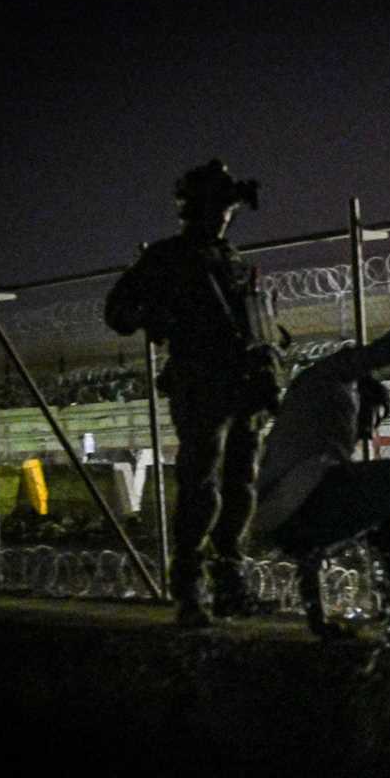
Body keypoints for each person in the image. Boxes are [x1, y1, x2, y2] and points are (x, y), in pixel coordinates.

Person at [104, 159, 279, 626]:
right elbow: (119, 312)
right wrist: (164, 319)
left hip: (240, 383)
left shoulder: (230, 258)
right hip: (201, 383)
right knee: (202, 488)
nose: (226, 214)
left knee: (240, 486)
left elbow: (255, 324)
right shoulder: (166, 257)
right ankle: (190, 591)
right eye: (220, 205)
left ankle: (229, 585)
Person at [251, 264, 390, 644]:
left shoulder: (305, 430)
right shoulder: (333, 375)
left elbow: (304, 545)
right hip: (305, 509)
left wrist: (317, 620)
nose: (367, 431)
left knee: (387, 506)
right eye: (371, 418)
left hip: (282, 522)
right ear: (360, 393)